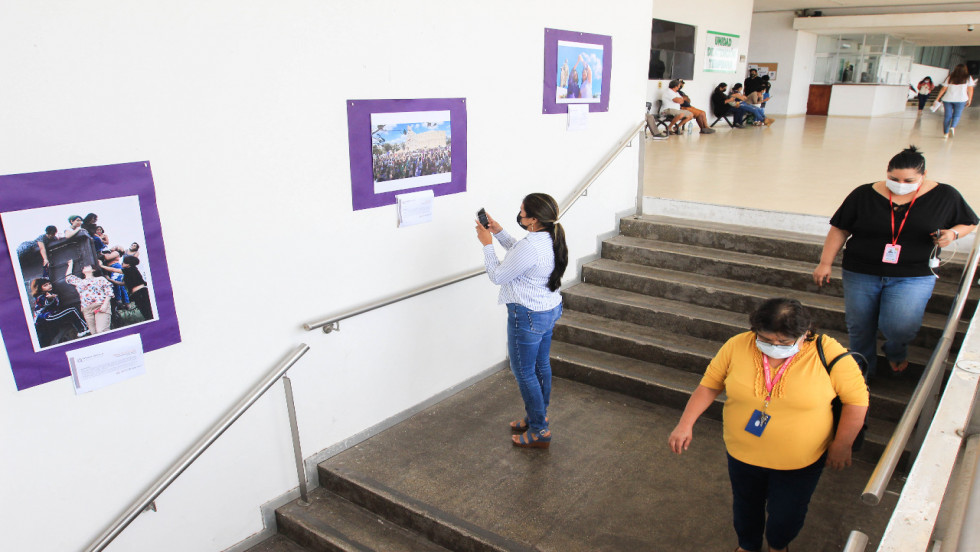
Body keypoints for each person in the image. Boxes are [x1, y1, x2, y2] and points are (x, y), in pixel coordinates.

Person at [668, 298, 869, 552]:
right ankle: (748, 545)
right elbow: (709, 385)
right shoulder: (737, 345)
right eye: (765, 339)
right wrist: (685, 424)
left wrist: (842, 444)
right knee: (745, 505)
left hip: (800, 461)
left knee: (787, 515)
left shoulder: (828, 352)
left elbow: (856, 401)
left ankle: (778, 545)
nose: (774, 346)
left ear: (805, 333)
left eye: (784, 342)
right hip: (742, 453)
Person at [813, 146, 978, 378]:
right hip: (861, 270)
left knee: (901, 326)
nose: (900, 184)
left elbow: (969, 221)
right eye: (894, 179)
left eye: (908, 180)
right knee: (859, 325)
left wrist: (952, 234)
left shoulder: (945, 195)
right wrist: (825, 263)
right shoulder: (864, 194)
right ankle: (862, 371)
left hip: (914, 274)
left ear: (924, 174)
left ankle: (895, 349)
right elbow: (840, 228)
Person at [475, 193, 567, 449]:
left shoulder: (530, 246)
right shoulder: (551, 236)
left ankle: (539, 430)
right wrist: (499, 232)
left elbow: (497, 276)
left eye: (523, 211)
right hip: (549, 309)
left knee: (524, 372)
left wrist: (487, 244)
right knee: (540, 366)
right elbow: (522, 256)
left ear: (534, 220)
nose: (520, 214)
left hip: (528, 316)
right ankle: (539, 416)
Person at [31, 276, 89, 346]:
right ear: (40, 288)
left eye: (49, 284)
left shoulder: (49, 293)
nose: (49, 286)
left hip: (50, 315)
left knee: (71, 310)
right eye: (45, 285)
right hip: (47, 318)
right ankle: (83, 329)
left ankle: (83, 328)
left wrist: (46, 269)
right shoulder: (41, 297)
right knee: (72, 310)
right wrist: (50, 299)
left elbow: (45, 276)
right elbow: (45, 302)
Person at [65, 259, 115, 335]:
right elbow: (68, 278)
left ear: (93, 269)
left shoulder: (100, 279)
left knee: (101, 330)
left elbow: (109, 292)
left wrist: (105, 305)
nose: (84, 267)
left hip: (100, 306)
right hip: (87, 309)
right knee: (94, 333)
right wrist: (70, 264)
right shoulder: (80, 281)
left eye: (87, 266)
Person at [933, 64, 975, 138]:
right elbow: (970, 89)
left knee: (947, 116)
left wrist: (937, 98)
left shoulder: (950, 77)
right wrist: (970, 99)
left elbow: (944, 89)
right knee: (957, 115)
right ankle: (952, 127)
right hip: (961, 99)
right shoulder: (968, 78)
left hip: (947, 99)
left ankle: (945, 134)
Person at [121, 255, 153, 321]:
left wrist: (102, 266)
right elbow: (123, 283)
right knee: (146, 311)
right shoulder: (131, 271)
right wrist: (109, 280)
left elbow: (114, 270)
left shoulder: (130, 270)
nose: (122, 264)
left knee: (147, 311)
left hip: (140, 293)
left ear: (128, 264)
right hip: (138, 293)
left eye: (123, 262)